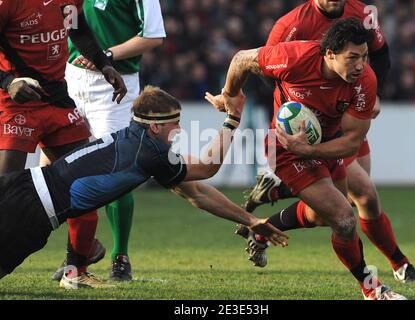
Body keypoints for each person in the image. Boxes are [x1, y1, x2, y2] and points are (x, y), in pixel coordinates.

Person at [0, 85, 288, 284]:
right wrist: (232, 118)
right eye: (174, 123)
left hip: (20, 184)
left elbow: (197, 193)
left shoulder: (133, 141)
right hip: (31, 214)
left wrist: (250, 220)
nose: (178, 130)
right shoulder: (150, 155)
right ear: (154, 126)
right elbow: (207, 168)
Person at [206, 18, 407, 300]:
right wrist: (229, 95)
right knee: (345, 220)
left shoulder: (365, 81)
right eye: (353, 58)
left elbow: (352, 141)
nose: (361, 65)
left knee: (324, 216)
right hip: (284, 147)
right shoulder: (294, 58)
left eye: (364, 56)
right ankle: (372, 290)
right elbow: (241, 60)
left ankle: (262, 230)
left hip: (325, 145)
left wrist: (310, 151)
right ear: (330, 54)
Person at [240, 0, 415, 284]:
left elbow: (381, 54)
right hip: (315, 125)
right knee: (358, 198)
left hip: (347, 116)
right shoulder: (291, 25)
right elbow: (267, 71)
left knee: (348, 204)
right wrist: (300, 108)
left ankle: (276, 199)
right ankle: (397, 268)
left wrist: (372, 95)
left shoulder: (363, 13)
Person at [0, 0, 127, 287]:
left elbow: (78, 31)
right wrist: (8, 82)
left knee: (87, 185)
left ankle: (76, 270)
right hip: (17, 102)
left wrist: (104, 64)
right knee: (7, 193)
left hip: (58, 100)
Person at [46, 0, 167, 284]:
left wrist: (107, 55)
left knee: (117, 171)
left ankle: (120, 257)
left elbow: (153, 35)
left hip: (114, 86)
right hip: (70, 78)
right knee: (58, 170)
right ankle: (79, 252)